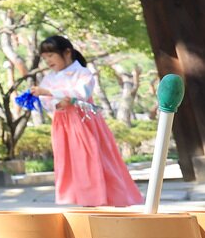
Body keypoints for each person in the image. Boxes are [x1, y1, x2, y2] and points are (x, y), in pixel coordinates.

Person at [29, 35, 143, 207]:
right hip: (63, 124)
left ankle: (111, 196)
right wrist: (56, 101)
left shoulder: (82, 72)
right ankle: (84, 198)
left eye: (51, 55)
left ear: (67, 52)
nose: (48, 61)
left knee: (94, 158)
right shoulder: (49, 78)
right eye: (45, 58)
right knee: (71, 161)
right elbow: (47, 102)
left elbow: (82, 92)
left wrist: (52, 93)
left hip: (84, 121)